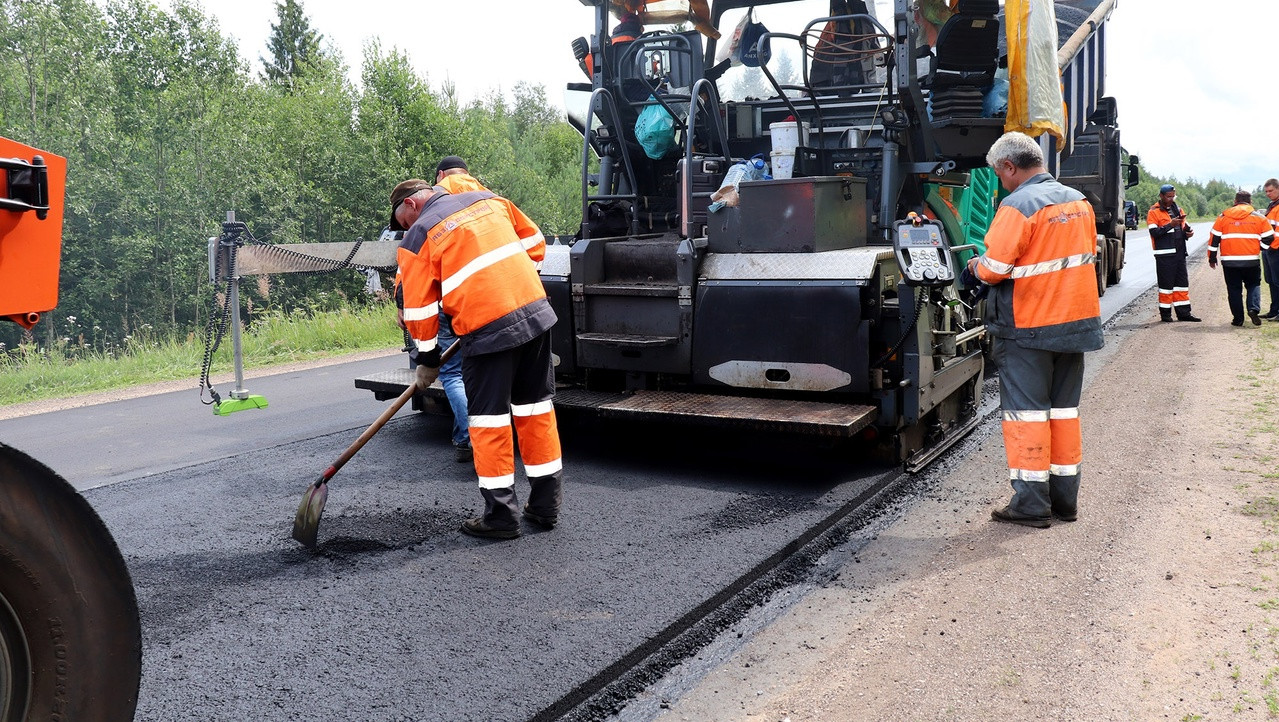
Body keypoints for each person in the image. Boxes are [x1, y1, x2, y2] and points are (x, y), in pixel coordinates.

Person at [388, 177, 563, 540]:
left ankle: (501, 517)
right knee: (535, 412)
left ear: (410, 205)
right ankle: (545, 506)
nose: (403, 230)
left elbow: (419, 309)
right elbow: (535, 242)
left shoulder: (419, 234)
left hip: (487, 328)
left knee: (488, 421)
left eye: (400, 222)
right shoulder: (488, 200)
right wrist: (511, 282)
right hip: (535, 313)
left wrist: (428, 359)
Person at [964, 131, 1103, 528]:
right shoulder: (1079, 202)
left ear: (1010, 167)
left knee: (1027, 416)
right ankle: (1064, 502)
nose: (1000, 181)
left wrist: (973, 267)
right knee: (1063, 414)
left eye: (999, 173)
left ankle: (1030, 505)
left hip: (1029, 329)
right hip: (1074, 325)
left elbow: (994, 268)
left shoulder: (1018, 204)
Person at [1207, 190, 1277, 327]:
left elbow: (1214, 239)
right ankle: (1253, 309)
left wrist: (1212, 258)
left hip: (1229, 261)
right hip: (1251, 260)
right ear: (1251, 202)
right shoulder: (1259, 218)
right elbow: (1270, 237)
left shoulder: (1222, 217)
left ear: (1235, 201)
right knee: (1253, 285)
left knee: (1234, 289)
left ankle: (1238, 319)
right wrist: (1260, 247)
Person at [1146, 184, 1201, 322]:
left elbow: (1182, 228)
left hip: (1180, 253)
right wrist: (1170, 224)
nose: (1171, 199)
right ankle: (1166, 315)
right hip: (1164, 255)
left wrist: (1187, 233)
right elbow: (1154, 232)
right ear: (1161, 196)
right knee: (1166, 286)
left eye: (1173, 196)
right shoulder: (1154, 212)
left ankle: (1184, 314)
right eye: (1168, 196)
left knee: (1181, 285)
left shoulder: (1178, 209)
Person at [1262, 178, 1279, 320]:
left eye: (1271, 191)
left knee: (1277, 281)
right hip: (1269, 249)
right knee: (1271, 281)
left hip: (1276, 249)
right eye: (1266, 191)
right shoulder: (1272, 205)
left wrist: (1273, 247)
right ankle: (1274, 311)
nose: (1268, 194)